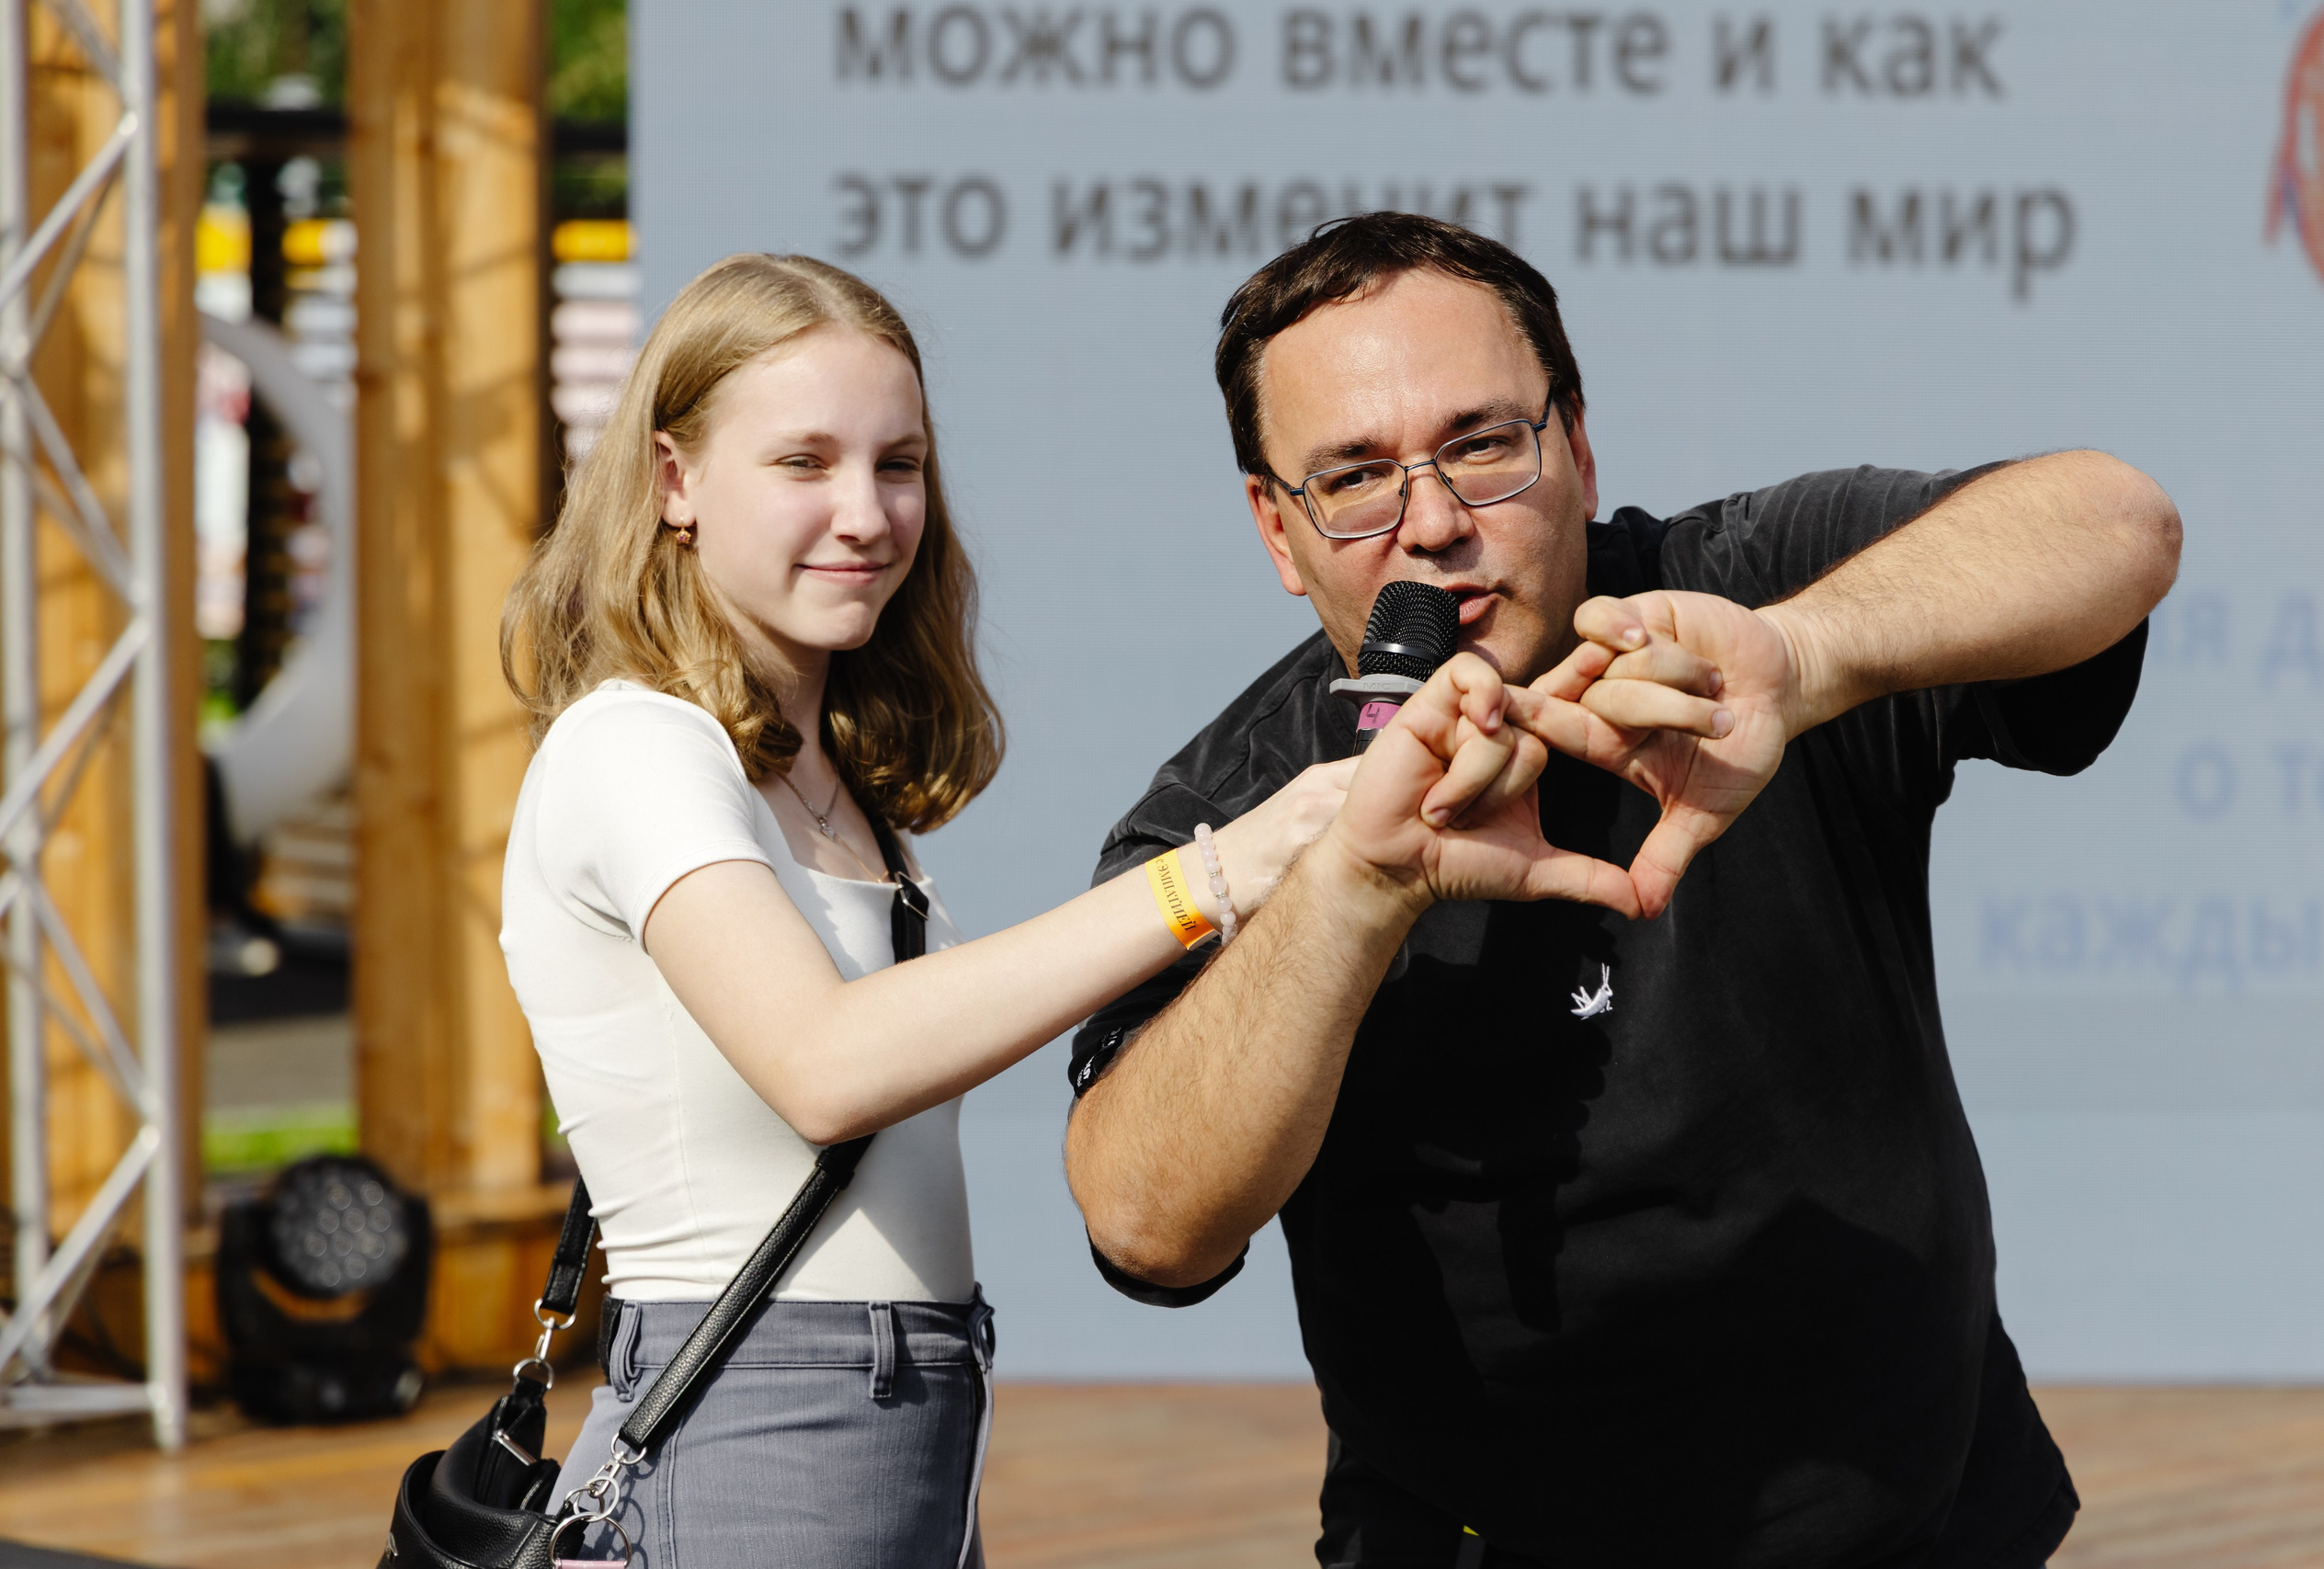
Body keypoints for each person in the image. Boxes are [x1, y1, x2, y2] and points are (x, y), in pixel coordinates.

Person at [495, 252, 1665, 1568]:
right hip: (754, 1418)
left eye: (900, 464)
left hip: (910, 1414)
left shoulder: (822, 782)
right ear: (673, 482)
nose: (867, 514)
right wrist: (1223, 871)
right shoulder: (634, 745)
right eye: (804, 464)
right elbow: (826, 1068)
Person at [1063, 213, 2182, 1569]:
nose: (1432, 526)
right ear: (1277, 531)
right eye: (1355, 477)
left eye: (1482, 445)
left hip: (1928, 1525)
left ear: (1577, 448)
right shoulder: (1228, 806)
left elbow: (2118, 524)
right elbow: (1146, 1223)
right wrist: (1352, 888)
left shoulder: (1737, 596)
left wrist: (1801, 658)